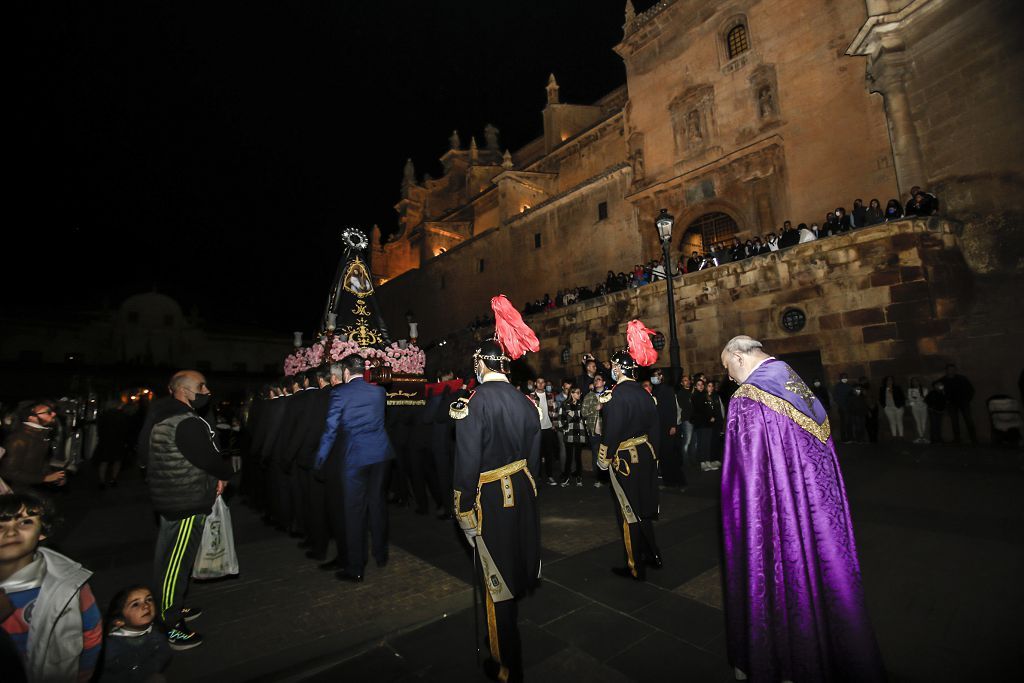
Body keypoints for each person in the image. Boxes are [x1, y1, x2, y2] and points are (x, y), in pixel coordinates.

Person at [719, 336, 885, 682]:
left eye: (728, 369)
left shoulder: (748, 399)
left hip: (776, 513)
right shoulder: (795, 384)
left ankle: (780, 658)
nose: (730, 378)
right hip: (815, 509)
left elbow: (745, 481)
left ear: (738, 356)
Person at [452, 314, 541, 683]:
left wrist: (464, 509)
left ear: (481, 364)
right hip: (522, 489)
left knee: (495, 578)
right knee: (516, 560)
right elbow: (535, 459)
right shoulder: (527, 403)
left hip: (489, 496)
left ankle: (507, 665)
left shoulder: (473, 402)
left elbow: (467, 462)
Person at [140, 370, 232, 650]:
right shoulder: (185, 421)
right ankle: (169, 624)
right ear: (182, 390)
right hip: (186, 500)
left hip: (172, 496)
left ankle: (172, 604)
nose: (207, 390)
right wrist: (225, 472)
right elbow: (207, 458)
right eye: (200, 386)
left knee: (166, 557)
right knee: (176, 564)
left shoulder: (160, 415)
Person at [0, 492, 103, 682]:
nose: (11, 532)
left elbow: (91, 634)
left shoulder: (70, 584)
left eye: (25, 522)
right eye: (1, 525)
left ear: (42, 531)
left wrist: (83, 676)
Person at [314, 355, 393, 583]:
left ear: (346, 373)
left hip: (355, 457)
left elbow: (330, 430)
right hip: (380, 454)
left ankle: (356, 567)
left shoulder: (339, 393)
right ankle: (380, 554)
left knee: (354, 511)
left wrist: (320, 458)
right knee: (377, 504)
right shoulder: (378, 392)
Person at [596, 321, 663, 581]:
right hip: (646, 454)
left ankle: (636, 565)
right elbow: (655, 429)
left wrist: (604, 459)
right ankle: (653, 553)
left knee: (629, 512)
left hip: (624, 458)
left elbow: (611, 432)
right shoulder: (646, 395)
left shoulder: (615, 396)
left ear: (616, 369)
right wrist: (654, 456)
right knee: (644, 507)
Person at [102, 584, 172, 682]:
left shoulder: (156, 630)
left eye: (149, 599)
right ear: (119, 621)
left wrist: (149, 669)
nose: (146, 606)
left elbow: (164, 652)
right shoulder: (110, 647)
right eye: (135, 604)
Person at [0, 402, 67, 492]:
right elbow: (7, 472)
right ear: (31, 418)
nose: (54, 414)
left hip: (30, 488)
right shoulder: (18, 440)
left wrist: (54, 476)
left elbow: (41, 464)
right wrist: (45, 478)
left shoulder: (40, 436)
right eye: (48, 412)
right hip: (15, 493)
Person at [650, 369, 684, 487]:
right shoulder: (656, 390)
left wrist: (673, 425)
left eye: (655, 376)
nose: (653, 378)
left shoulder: (667, 389)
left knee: (669, 455)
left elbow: (672, 408)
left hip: (668, 426)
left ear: (661, 377)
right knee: (663, 455)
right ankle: (668, 480)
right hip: (659, 426)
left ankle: (678, 480)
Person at [95, 402, 134, 489]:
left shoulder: (103, 415)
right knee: (117, 461)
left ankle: (102, 481)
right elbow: (127, 429)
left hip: (105, 441)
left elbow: (99, 429)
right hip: (118, 441)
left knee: (104, 461)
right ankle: (113, 479)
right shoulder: (123, 416)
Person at [581, 374, 609, 488]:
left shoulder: (609, 395)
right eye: (595, 379)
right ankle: (598, 478)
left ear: (603, 382)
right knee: (596, 454)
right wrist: (595, 408)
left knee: (609, 454)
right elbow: (583, 413)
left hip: (608, 430)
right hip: (594, 431)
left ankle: (609, 477)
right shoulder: (589, 396)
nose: (596, 381)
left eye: (599, 379)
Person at [531, 377, 560, 485]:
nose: (540, 384)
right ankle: (536, 477)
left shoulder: (550, 395)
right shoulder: (531, 396)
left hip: (548, 428)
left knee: (549, 454)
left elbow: (555, 410)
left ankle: (550, 476)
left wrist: (554, 425)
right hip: (537, 430)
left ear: (545, 384)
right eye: (538, 382)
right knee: (536, 454)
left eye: (542, 382)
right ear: (535, 383)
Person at [558, 387, 586, 487]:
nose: (579, 394)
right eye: (578, 393)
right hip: (569, 434)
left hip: (579, 433)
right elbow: (560, 420)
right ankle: (566, 478)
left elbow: (584, 418)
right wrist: (566, 428)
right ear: (572, 394)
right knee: (569, 458)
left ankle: (579, 477)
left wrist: (581, 421)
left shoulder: (581, 404)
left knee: (578, 457)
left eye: (580, 393)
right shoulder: (565, 404)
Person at [943, 364, 977, 444]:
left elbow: (971, 389)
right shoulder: (944, 380)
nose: (951, 371)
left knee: (968, 420)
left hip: (963, 402)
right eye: (949, 369)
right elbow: (936, 384)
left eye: (953, 369)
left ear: (955, 370)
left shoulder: (962, 378)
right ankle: (957, 439)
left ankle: (973, 439)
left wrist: (967, 400)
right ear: (946, 370)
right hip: (952, 403)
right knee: (954, 421)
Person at [880, 375, 906, 440]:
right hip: (888, 408)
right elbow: (881, 398)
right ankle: (894, 436)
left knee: (899, 421)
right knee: (892, 422)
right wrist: (884, 406)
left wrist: (901, 405)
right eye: (888, 380)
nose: (890, 381)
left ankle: (901, 436)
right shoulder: (882, 388)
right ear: (885, 381)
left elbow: (902, 397)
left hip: (898, 407)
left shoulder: (897, 388)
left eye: (891, 380)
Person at [906, 377, 929, 443]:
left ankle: (923, 437)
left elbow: (925, 399)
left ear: (919, 382)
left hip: (923, 408)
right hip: (915, 408)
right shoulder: (910, 390)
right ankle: (921, 437)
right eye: (913, 382)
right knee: (918, 422)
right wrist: (914, 401)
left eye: (916, 381)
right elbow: (911, 400)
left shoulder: (924, 389)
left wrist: (917, 399)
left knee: (923, 422)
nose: (915, 383)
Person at [832, 373, 854, 443]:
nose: (845, 379)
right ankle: (844, 439)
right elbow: (836, 397)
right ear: (840, 378)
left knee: (849, 423)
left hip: (849, 407)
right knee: (844, 423)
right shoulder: (838, 387)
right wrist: (841, 405)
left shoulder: (849, 386)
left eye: (846, 377)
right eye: (843, 377)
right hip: (842, 408)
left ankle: (850, 438)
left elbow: (852, 396)